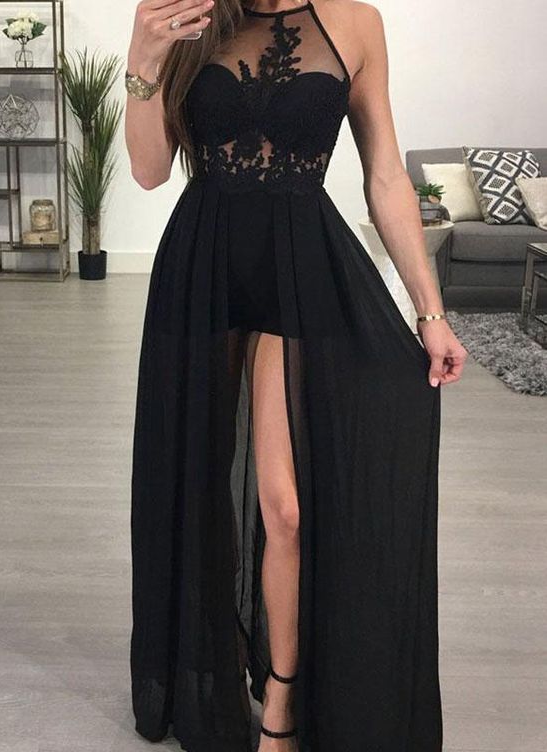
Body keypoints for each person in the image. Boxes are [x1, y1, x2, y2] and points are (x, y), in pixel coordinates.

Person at [124, 0, 467, 750]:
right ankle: (209, 668)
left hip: (297, 267)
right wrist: (143, 62)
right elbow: (149, 172)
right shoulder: (187, 16)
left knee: (284, 507)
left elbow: (385, 175)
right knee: (198, 484)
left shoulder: (356, 22)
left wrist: (430, 311)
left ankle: (282, 695)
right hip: (202, 268)